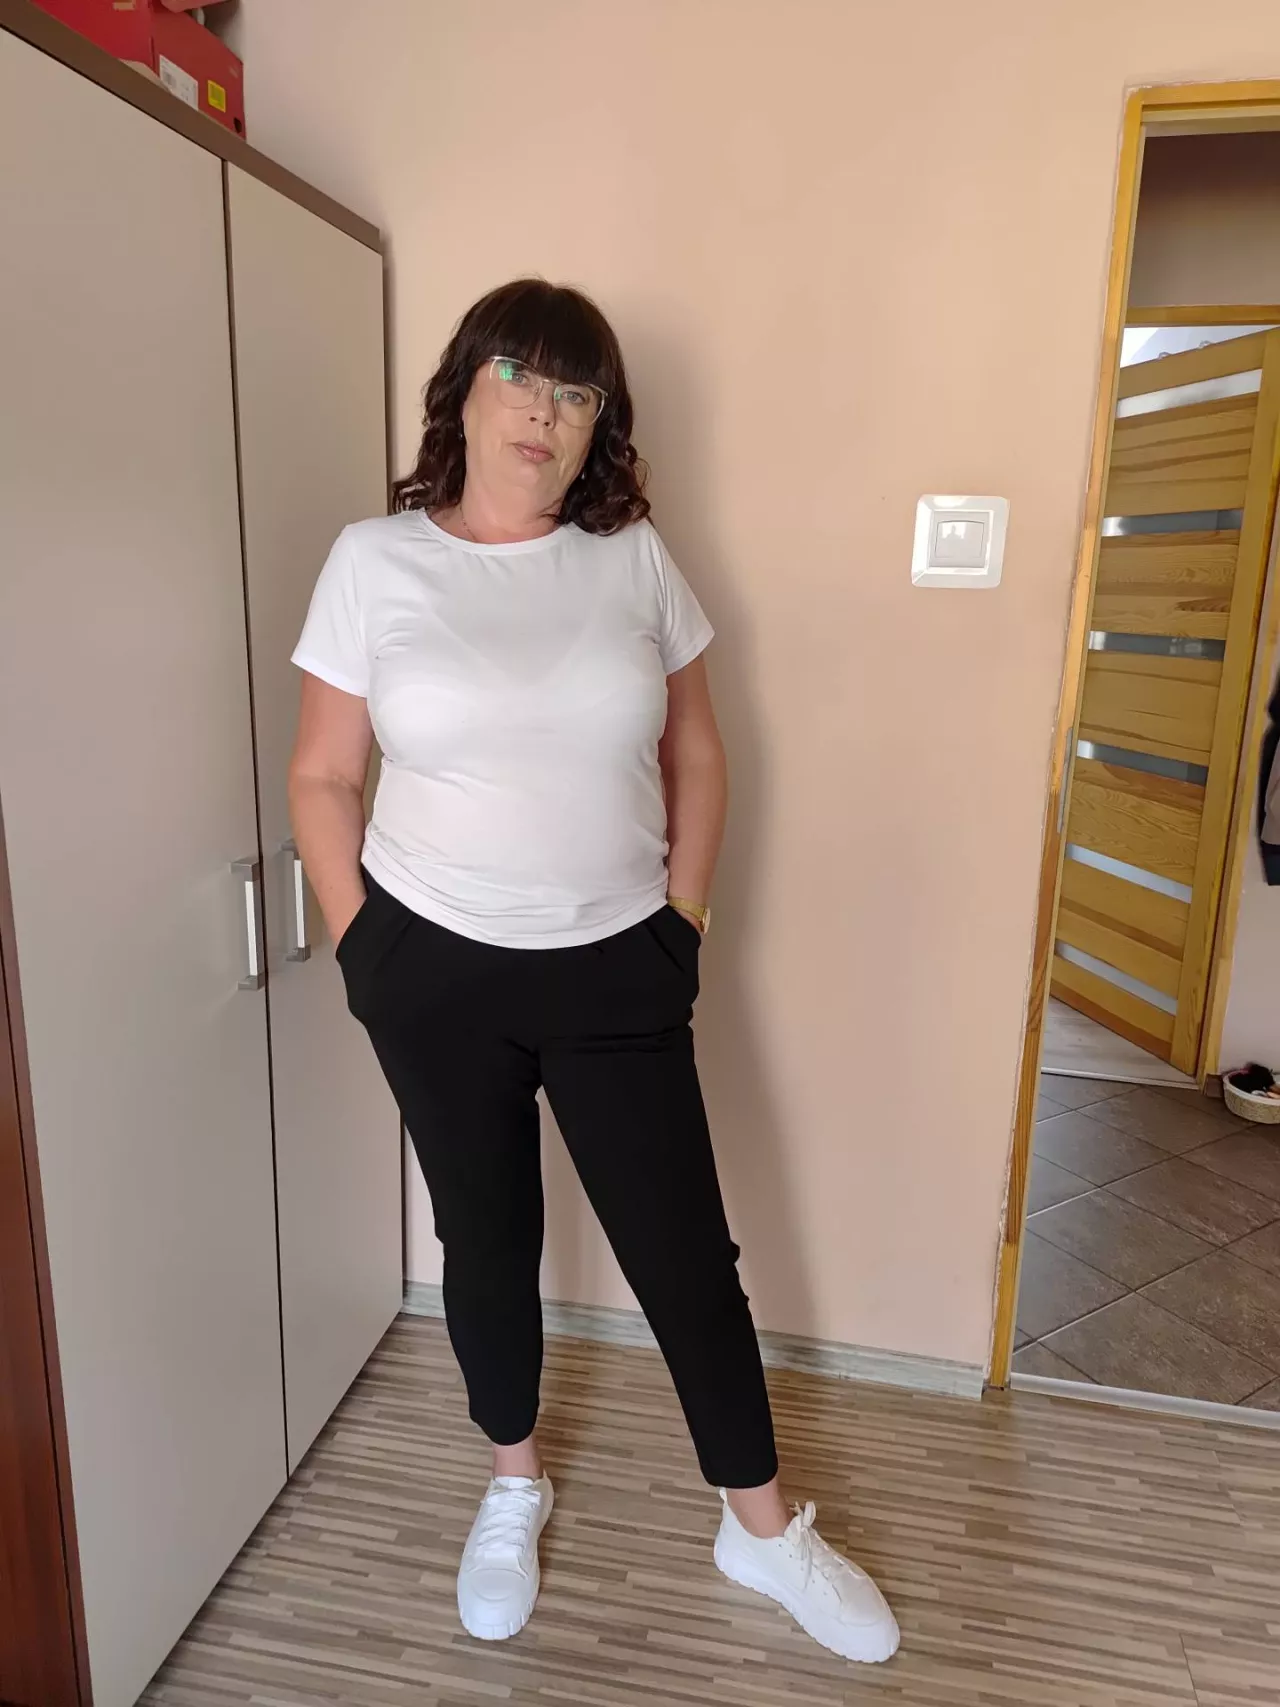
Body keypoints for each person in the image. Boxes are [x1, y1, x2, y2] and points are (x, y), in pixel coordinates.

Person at [288, 278, 899, 1665]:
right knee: (486, 1239)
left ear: (597, 428)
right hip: (433, 965)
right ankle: (514, 1483)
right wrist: (367, 946)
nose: (546, 412)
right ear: (465, 390)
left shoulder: (632, 560)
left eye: (579, 394)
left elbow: (699, 750)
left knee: (686, 1256)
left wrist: (683, 922)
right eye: (523, 375)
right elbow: (323, 775)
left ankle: (758, 1528)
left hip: (618, 962)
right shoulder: (374, 561)